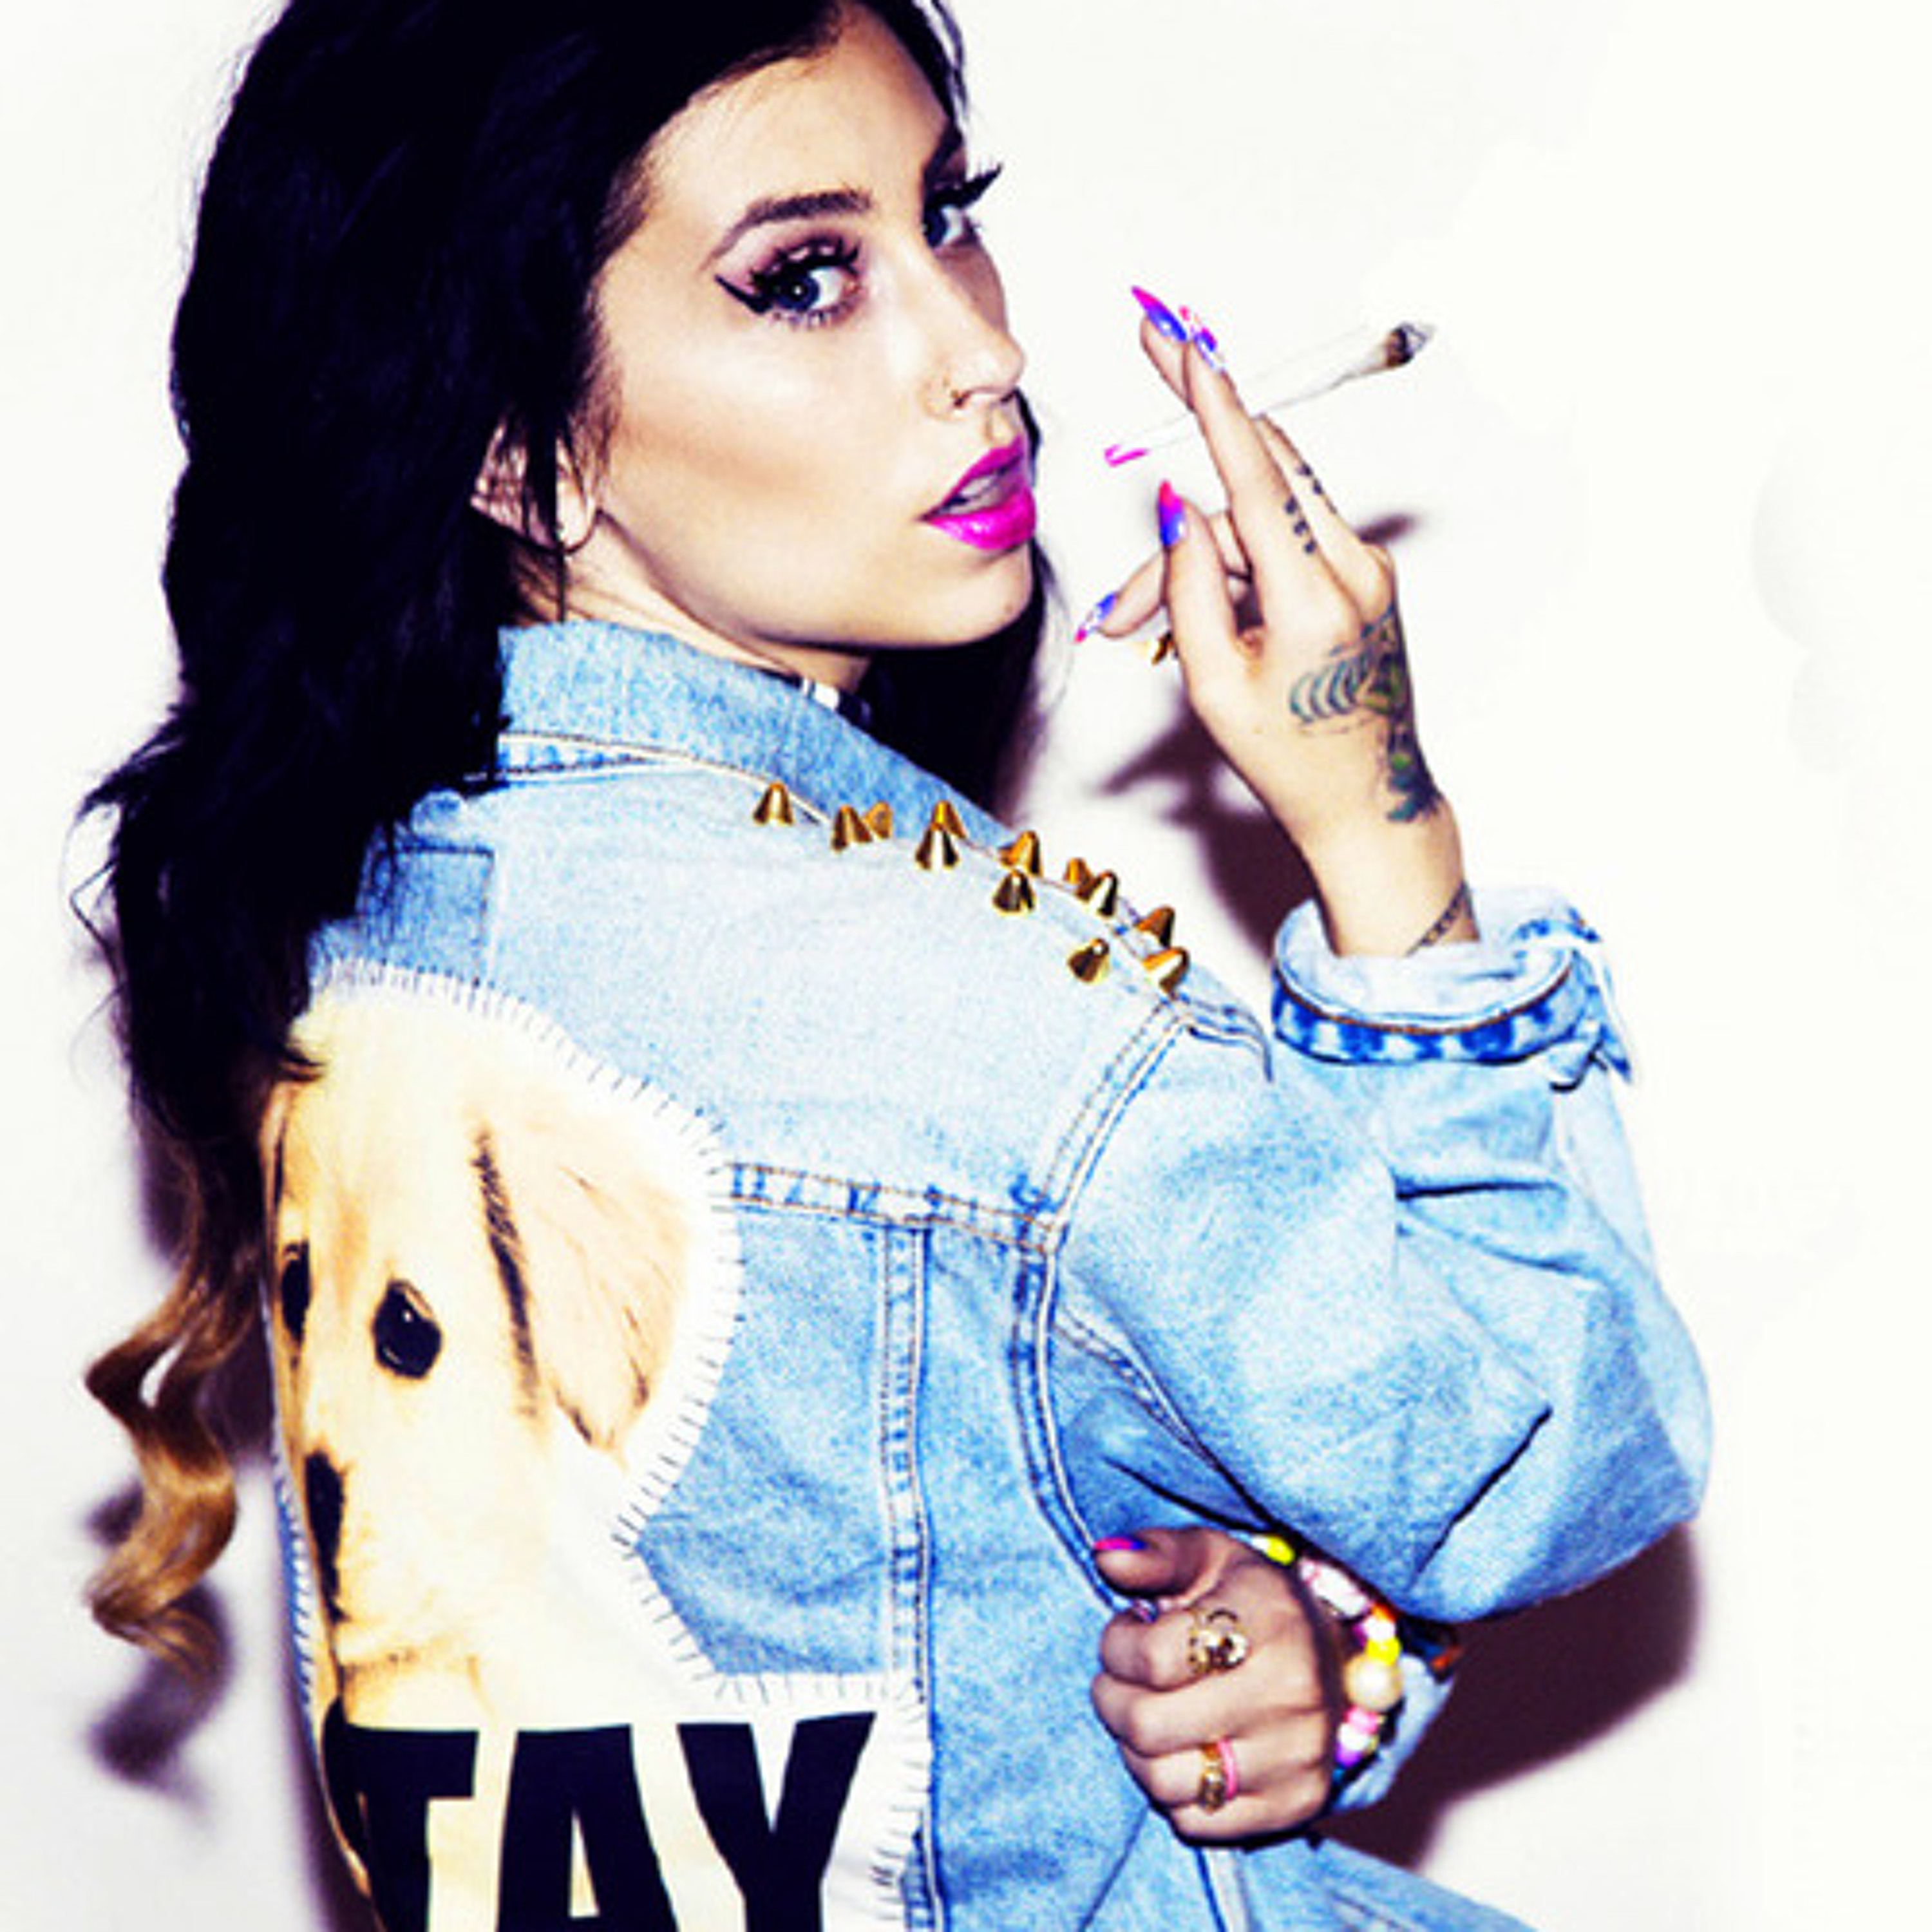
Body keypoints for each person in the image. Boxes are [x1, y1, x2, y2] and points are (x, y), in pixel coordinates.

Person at [81, 1, 1708, 1926]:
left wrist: (1310, 1633)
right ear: (516, 453)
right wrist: (1380, 836)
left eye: (946, 213)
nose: (983, 352)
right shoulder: (999, 1031)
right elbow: (1540, 1443)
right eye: (806, 278)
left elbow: (917, 1588)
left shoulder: (357, 943)